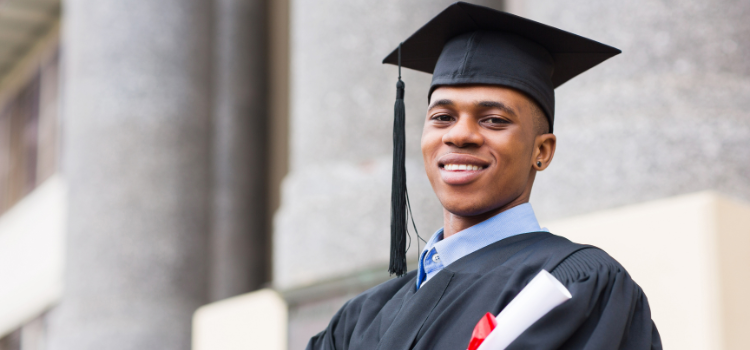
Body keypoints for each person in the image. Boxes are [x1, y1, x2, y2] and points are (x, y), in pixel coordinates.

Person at [306, 2, 662, 349]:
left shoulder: (577, 285)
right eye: (442, 117)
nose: (459, 135)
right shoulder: (358, 320)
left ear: (542, 151)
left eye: (494, 120)